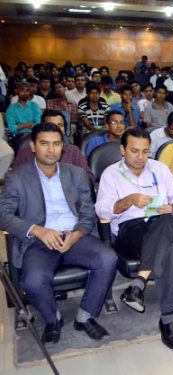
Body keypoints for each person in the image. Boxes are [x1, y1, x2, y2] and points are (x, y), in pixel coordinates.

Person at [0, 123, 119, 343]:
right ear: (33, 147)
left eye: (56, 144)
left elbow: (87, 212)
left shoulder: (76, 174)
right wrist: (37, 230)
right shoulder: (17, 178)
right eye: (44, 144)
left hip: (74, 236)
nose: (51, 149)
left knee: (108, 258)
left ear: (62, 147)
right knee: (33, 281)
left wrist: (77, 234)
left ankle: (85, 316)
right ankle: (53, 318)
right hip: (38, 241)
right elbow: (3, 215)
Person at [94, 127, 173, 350]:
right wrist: (128, 201)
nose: (140, 157)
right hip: (130, 228)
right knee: (166, 249)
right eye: (134, 151)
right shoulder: (111, 174)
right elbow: (102, 211)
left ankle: (139, 283)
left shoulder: (159, 169)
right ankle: (168, 320)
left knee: (165, 223)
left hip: (161, 221)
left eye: (145, 152)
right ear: (123, 150)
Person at [14, 110, 93, 181]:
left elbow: (88, 177)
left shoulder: (73, 151)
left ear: (65, 129)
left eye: (60, 125)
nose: (56, 129)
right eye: (51, 125)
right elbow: (14, 179)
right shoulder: (25, 153)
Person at [6, 81, 43, 145]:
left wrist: (19, 126)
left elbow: (38, 125)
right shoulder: (11, 108)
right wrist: (29, 124)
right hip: (18, 137)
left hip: (34, 135)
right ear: (17, 91)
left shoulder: (34, 106)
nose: (25, 93)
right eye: (22, 90)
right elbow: (12, 128)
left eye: (27, 90)